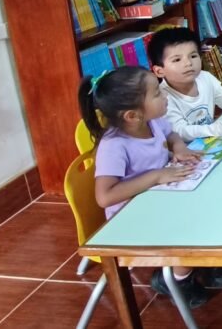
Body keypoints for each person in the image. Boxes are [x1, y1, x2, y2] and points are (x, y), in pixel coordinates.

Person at [79, 66, 210, 307]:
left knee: (208, 206)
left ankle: (207, 264)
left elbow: (172, 136)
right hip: (131, 220)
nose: (166, 95)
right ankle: (177, 279)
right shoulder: (114, 145)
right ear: (132, 115)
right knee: (189, 230)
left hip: (159, 199)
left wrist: (179, 148)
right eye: (158, 94)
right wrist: (156, 176)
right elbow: (105, 197)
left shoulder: (154, 121)